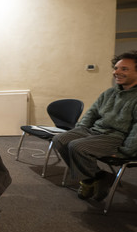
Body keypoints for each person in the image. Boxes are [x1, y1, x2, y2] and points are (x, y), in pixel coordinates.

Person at [53, 51, 137, 201]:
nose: (116, 72)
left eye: (124, 69)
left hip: (116, 137)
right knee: (59, 140)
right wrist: (80, 129)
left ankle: (88, 180)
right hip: (94, 131)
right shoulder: (109, 93)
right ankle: (97, 177)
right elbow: (91, 113)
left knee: (77, 147)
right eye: (116, 68)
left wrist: (126, 152)